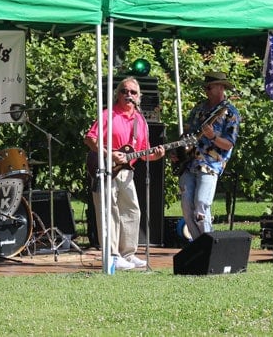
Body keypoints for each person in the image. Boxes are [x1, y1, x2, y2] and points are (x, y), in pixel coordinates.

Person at [84, 77, 165, 270]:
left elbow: (143, 154)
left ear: (139, 97)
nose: (129, 95)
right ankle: (112, 255)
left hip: (127, 172)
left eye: (133, 92)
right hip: (105, 168)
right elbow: (90, 139)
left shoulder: (140, 121)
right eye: (124, 91)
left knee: (132, 210)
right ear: (118, 95)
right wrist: (109, 154)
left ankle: (128, 254)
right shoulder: (108, 115)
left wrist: (156, 156)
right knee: (108, 210)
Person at [177, 71, 240, 240]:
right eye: (205, 87)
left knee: (202, 205)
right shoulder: (199, 108)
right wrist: (178, 151)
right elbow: (188, 132)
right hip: (190, 164)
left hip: (211, 165)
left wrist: (212, 136)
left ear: (221, 87)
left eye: (210, 86)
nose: (206, 90)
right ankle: (199, 244)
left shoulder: (229, 112)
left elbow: (229, 144)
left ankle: (209, 245)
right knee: (187, 207)